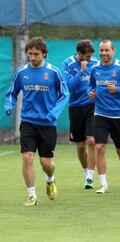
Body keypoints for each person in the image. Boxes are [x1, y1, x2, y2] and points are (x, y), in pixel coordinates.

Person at [4, 37, 69, 206]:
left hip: (47, 124)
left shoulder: (53, 72)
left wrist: (54, 113)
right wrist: (9, 104)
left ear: (44, 54)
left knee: (46, 163)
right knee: (27, 158)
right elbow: (11, 93)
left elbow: (65, 94)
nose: (32, 57)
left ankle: (50, 179)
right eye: (30, 54)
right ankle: (32, 196)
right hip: (28, 122)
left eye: (36, 54)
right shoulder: (21, 72)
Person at [88, 40, 120, 194]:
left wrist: (118, 89)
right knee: (99, 147)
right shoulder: (94, 68)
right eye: (101, 50)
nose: (104, 53)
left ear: (113, 51)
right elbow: (91, 86)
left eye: (107, 50)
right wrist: (91, 93)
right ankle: (103, 184)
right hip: (100, 114)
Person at [63, 40, 98, 189]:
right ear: (79, 54)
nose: (89, 60)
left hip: (92, 107)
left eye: (91, 57)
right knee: (80, 145)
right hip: (76, 107)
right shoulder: (68, 63)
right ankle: (86, 172)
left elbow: (99, 82)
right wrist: (81, 71)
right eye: (87, 57)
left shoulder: (95, 63)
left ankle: (90, 176)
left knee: (91, 140)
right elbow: (69, 86)